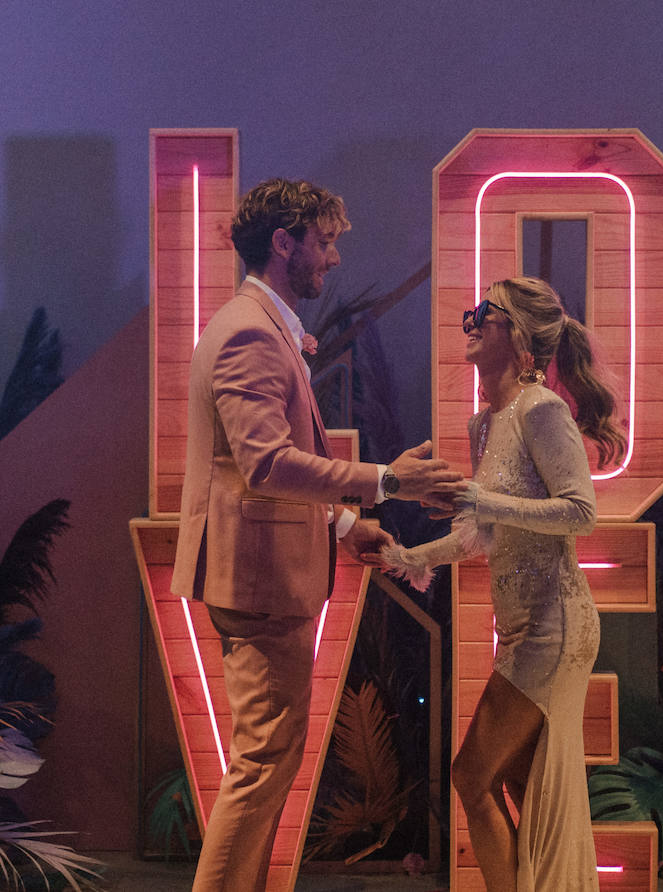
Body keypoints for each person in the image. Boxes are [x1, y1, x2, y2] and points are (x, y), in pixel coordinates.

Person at [170, 177, 464, 892]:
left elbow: (260, 467)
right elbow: (265, 463)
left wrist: (340, 526)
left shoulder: (261, 326)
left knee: (266, 763)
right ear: (284, 242)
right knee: (263, 764)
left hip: (265, 572)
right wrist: (387, 482)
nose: (332, 260)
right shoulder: (246, 330)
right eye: (324, 242)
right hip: (258, 580)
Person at [383, 277, 626, 890]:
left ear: (516, 337)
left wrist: (481, 498)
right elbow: (481, 530)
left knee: (471, 777)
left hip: (555, 627)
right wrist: (411, 555)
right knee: (516, 782)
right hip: (520, 629)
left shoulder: (542, 411)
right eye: (473, 311)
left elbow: (581, 512)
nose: (470, 321)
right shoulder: (484, 425)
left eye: (484, 313)